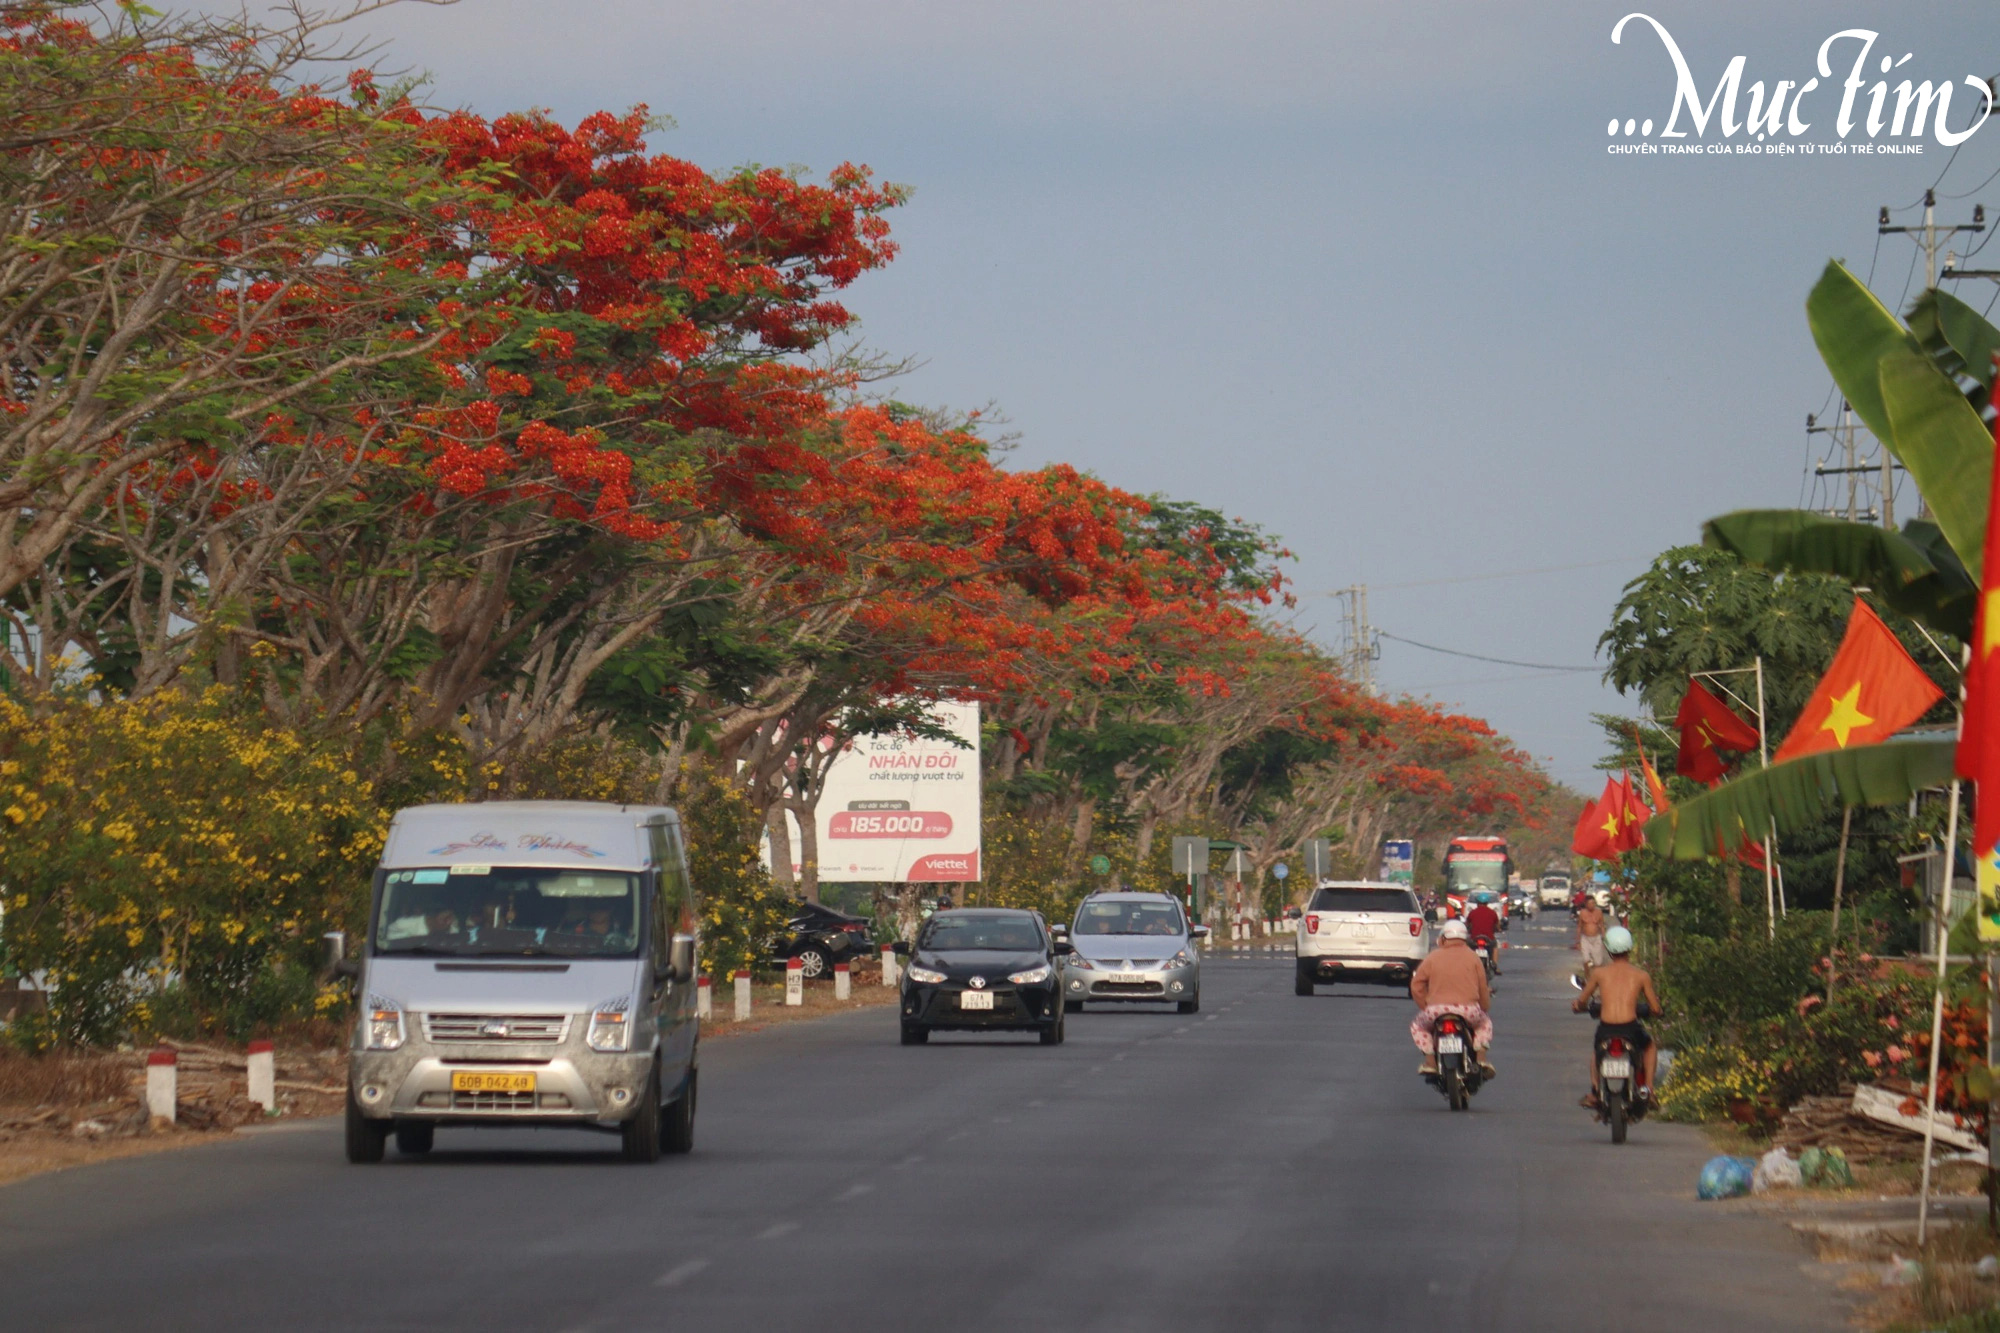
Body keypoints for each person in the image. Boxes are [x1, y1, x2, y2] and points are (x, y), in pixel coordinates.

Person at [1570, 925, 1662, 1108]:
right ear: (1629, 947)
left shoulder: (1599, 973)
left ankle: (1595, 1091)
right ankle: (1649, 1089)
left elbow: (1582, 1001)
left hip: (1607, 1028)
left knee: (1597, 1052)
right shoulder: (1641, 975)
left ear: (1609, 949)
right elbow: (1655, 1008)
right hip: (1631, 1028)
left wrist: (1577, 1006)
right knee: (1650, 1046)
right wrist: (1657, 1012)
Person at [1408, 919, 1496, 1079]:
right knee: (1484, 1024)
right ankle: (1481, 1060)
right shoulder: (1473, 958)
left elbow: (1416, 985)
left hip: (1436, 1010)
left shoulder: (1433, 957)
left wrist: (1425, 1006)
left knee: (1418, 1027)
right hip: (1468, 1010)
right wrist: (1484, 1007)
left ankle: (1430, 1063)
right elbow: (1483, 988)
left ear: (1443, 938)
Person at [1464, 894, 1501, 975]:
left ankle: (1466, 964)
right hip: (1489, 939)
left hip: (1474, 939)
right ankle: (1494, 965)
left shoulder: (1472, 913)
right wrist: (1498, 929)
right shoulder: (1492, 913)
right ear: (1487, 903)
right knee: (1495, 946)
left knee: (1467, 947)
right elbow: (1497, 926)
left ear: (1477, 903)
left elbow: (1467, 925)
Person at [1573, 894, 1608, 973]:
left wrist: (1605, 938)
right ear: (1586, 904)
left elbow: (1602, 926)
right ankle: (1587, 976)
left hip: (1596, 938)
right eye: (1590, 903)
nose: (1592, 905)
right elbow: (1579, 927)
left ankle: (1596, 978)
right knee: (1586, 960)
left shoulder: (1599, 912)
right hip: (1585, 938)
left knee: (1598, 962)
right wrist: (1578, 941)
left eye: (1593, 903)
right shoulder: (1582, 913)